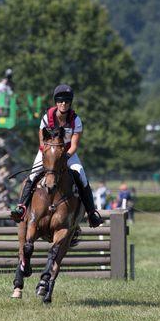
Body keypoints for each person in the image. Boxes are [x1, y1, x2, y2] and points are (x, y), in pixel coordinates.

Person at [10, 84, 103, 237]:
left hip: (68, 154)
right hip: (47, 153)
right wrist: (51, 156)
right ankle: (21, 208)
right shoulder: (47, 117)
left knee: (82, 175)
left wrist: (63, 158)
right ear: (56, 102)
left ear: (70, 103)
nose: (63, 104)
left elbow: (74, 145)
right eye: (60, 101)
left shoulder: (75, 119)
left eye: (66, 101)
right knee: (33, 176)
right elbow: (41, 140)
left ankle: (92, 213)